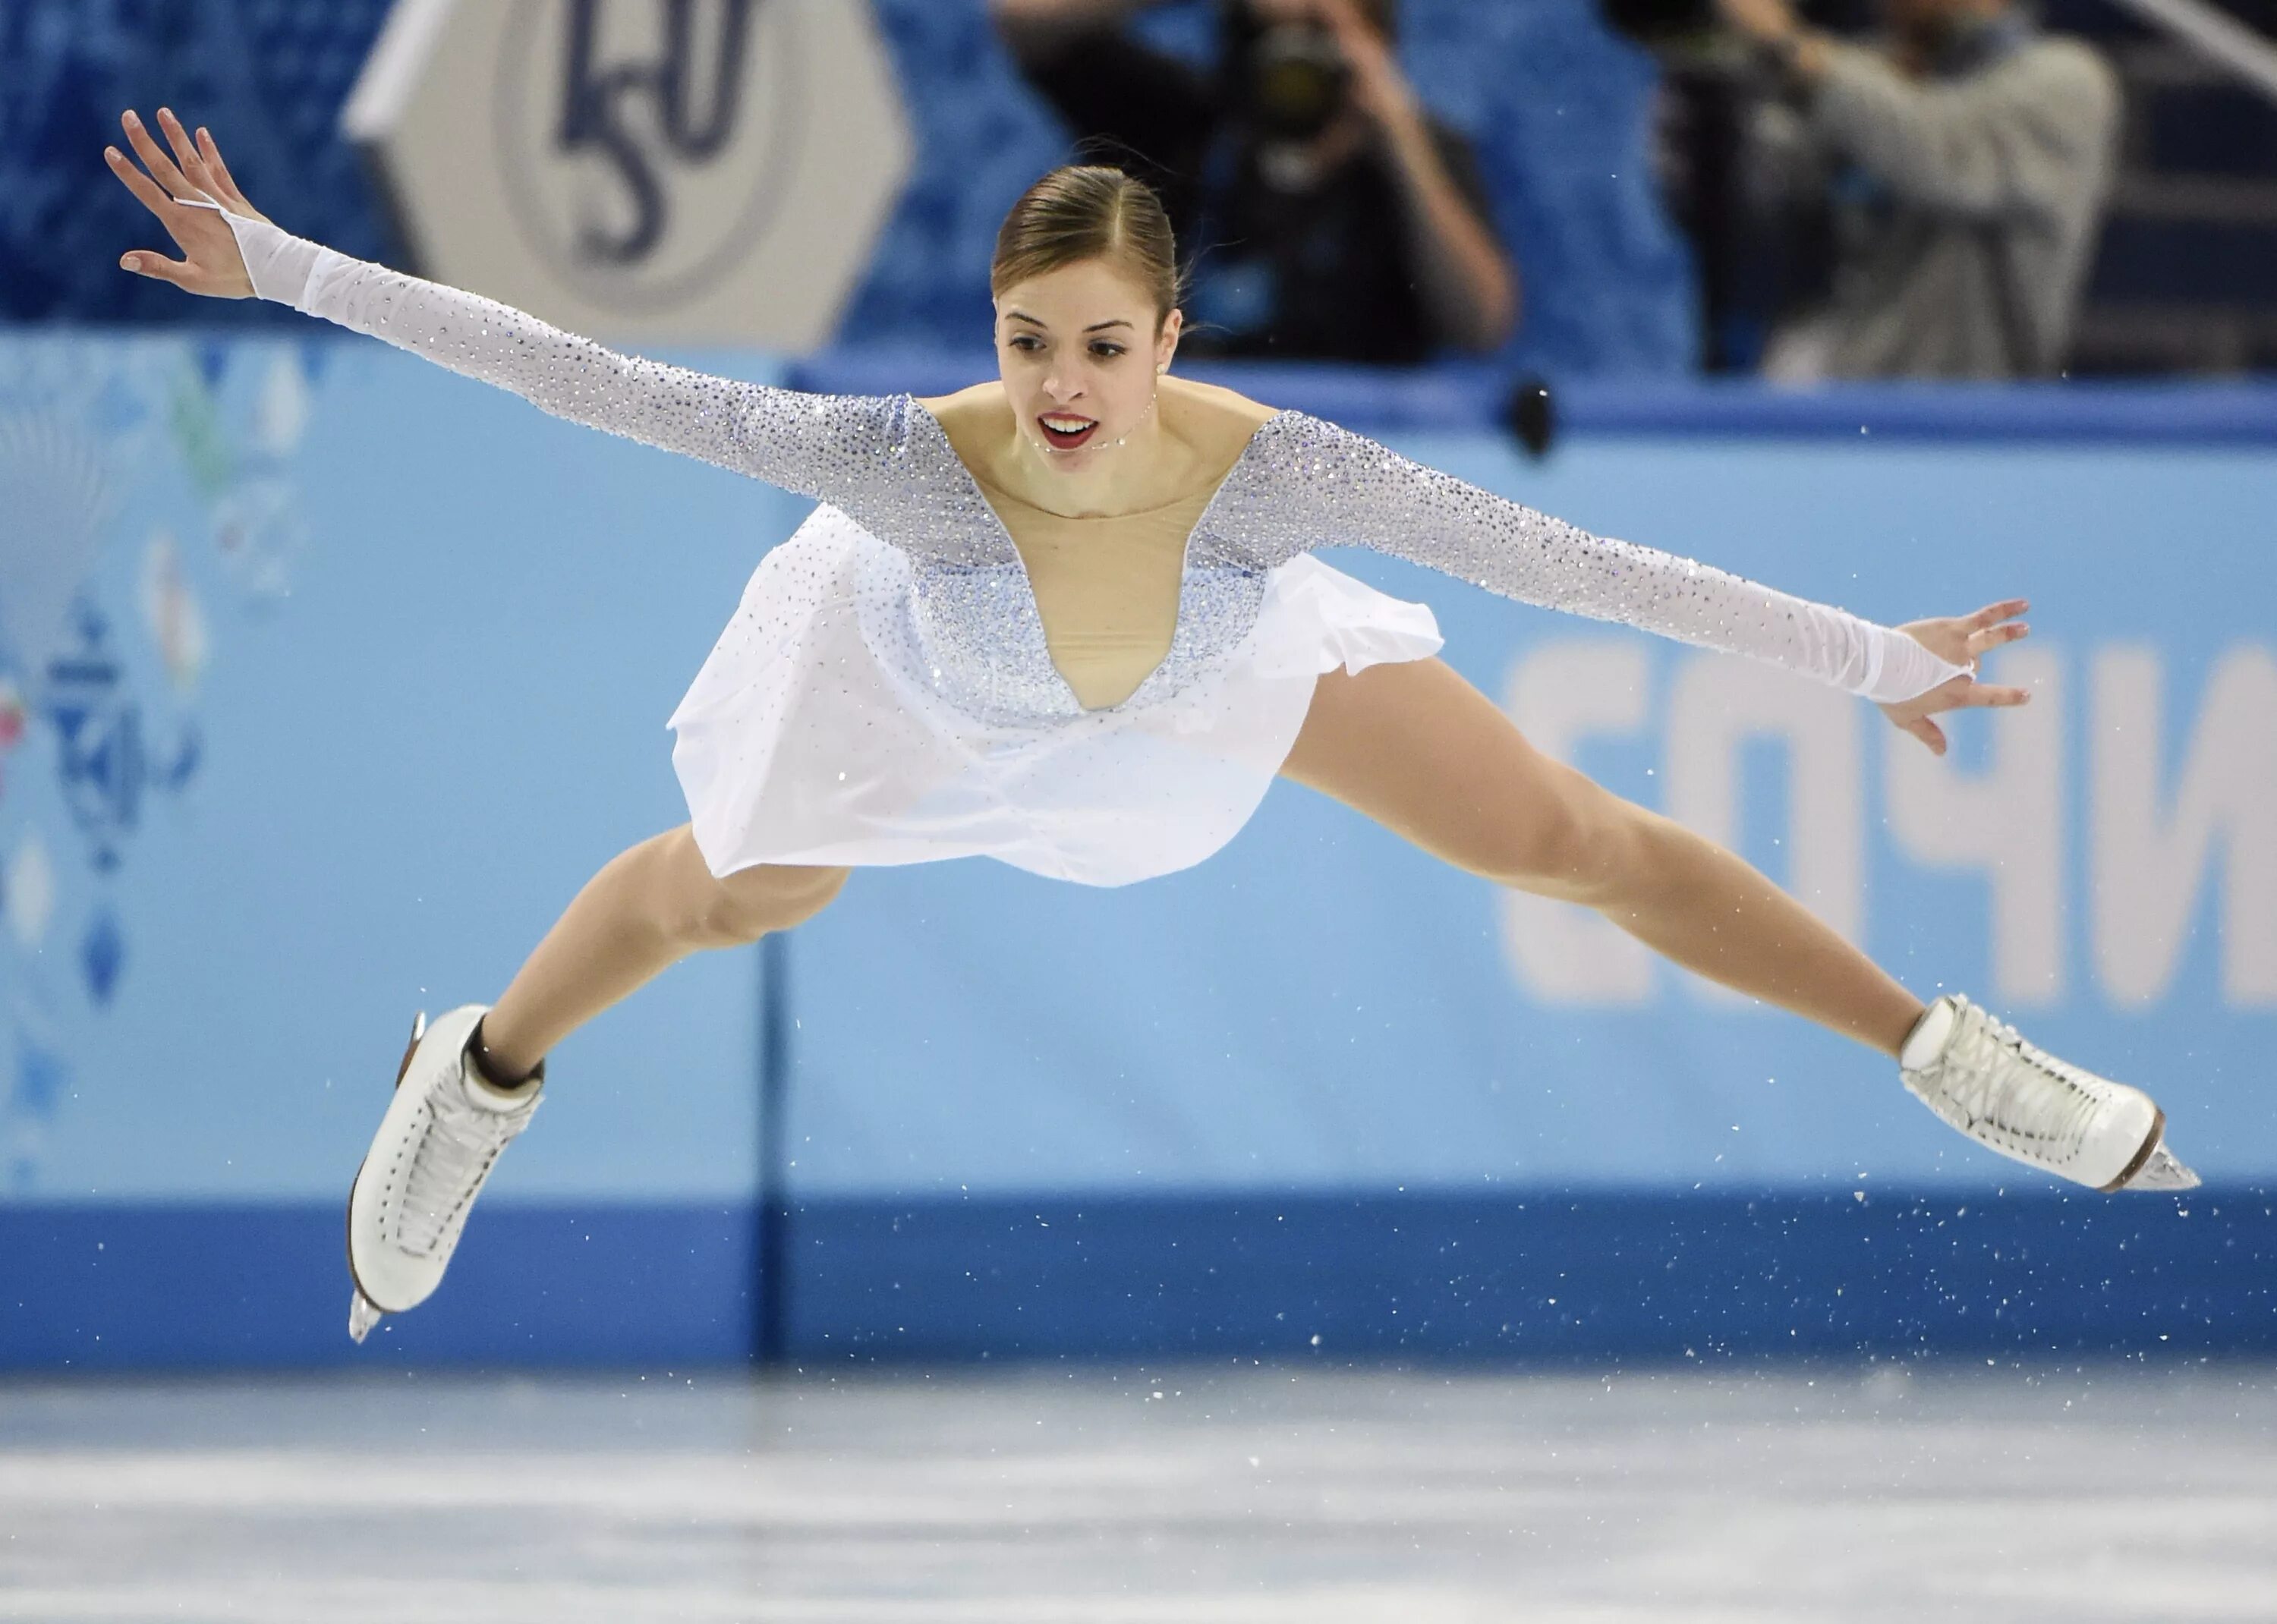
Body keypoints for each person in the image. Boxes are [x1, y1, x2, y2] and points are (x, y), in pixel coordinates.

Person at [103, 107, 2194, 1342]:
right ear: (995, 338)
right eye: (1029, 344)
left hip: (1208, 684)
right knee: (728, 893)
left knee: (1569, 832)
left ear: (1172, 337)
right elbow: (592, 380)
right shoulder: (911, 468)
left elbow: (1578, 570)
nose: (1064, 385)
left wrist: (1871, 660)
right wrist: (278, 263)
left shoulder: (1274, 472)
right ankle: (473, 1066)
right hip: (921, 695)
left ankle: (1945, 1052)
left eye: (1104, 344)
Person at [991, 0, 1516, 361]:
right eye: (1266, 42)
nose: (1292, 70)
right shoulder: (1186, 130)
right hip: (1196, 445)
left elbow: (1482, 324)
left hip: (1353, 458)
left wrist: (1400, 136)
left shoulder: (1414, 162)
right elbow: (1025, 22)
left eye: (1319, 39)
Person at [1715, 0, 2120, 379]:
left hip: (1974, 419)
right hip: (1842, 396)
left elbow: (1938, 150)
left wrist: (1786, 45)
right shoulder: (1876, 72)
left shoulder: (2066, 80)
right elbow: (1779, 170)